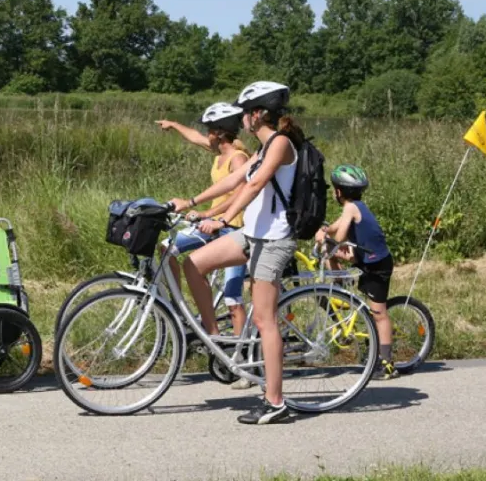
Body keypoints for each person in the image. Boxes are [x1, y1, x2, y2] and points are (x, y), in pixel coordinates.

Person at [169, 80, 300, 425]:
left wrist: (224, 218)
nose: (241, 118)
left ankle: (275, 402)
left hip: (274, 240)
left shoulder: (281, 143)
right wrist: (192, 202)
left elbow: (255, 185)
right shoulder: (262, 148)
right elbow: (235, 180)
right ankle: (216, 340)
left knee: (264, 320)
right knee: (193, 264)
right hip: (251, 235)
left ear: (258, 114)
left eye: (245, 112)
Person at [156, 103, 250, 343]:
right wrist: (173, 124)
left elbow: (240, 195)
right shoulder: (219, 153)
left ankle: (238, 350)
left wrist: (207, 213)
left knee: (232, 298)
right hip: (212, 224)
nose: (206, 134)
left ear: (219, 133)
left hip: (234, 227)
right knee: (166, 248)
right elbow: (195, 137)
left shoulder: (239, 159)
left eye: (209, 129)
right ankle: (179, 308)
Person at [315, 164, 399, 381]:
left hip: (377, 265)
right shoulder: (354, 206)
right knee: (329, 253)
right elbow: (335, 226)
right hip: (366, 259)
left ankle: (387, 364)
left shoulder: (351, 207)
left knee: (379, 313)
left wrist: (327, 238)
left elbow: (340, 236)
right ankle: (340, 288)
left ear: (338, 192)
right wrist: (323, 230)